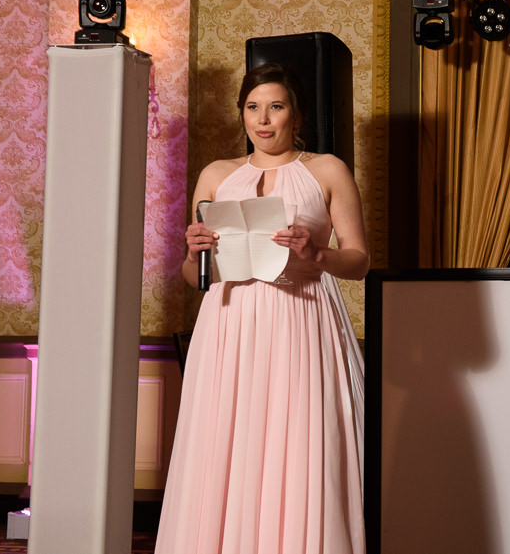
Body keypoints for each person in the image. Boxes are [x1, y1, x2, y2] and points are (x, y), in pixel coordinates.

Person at [156, 63, 368, 554]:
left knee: (297, 446)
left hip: (301, 317)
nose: (263, 119)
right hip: (228, 324)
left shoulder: (327, 170)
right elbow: (196, 278)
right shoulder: (216, 175)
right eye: (253, 108)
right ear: (242, 115)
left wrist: (316, 254)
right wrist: (192, 254)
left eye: (276, 107)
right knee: (226, 445)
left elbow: (359, 260)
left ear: (297, 115)